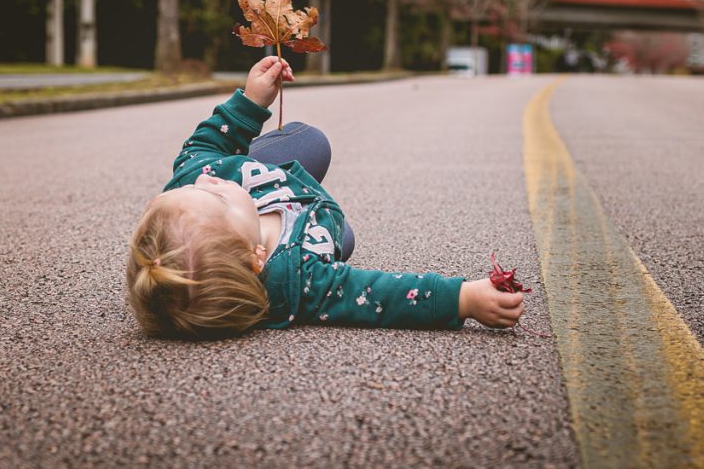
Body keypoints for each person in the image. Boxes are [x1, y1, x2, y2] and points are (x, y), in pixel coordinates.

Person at [126, 56, 525, 338]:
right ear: (256, 258)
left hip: (275, 182)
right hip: (309, 217)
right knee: (343, 239)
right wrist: (462, 299)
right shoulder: (302, 276)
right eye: (221, 200)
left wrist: (250, 102)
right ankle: (324, 220)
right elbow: (378, 295)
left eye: (193, 189)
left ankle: (272, 186)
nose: (210, 182)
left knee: (311, 143)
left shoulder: (200, 180)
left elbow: (204, 146)